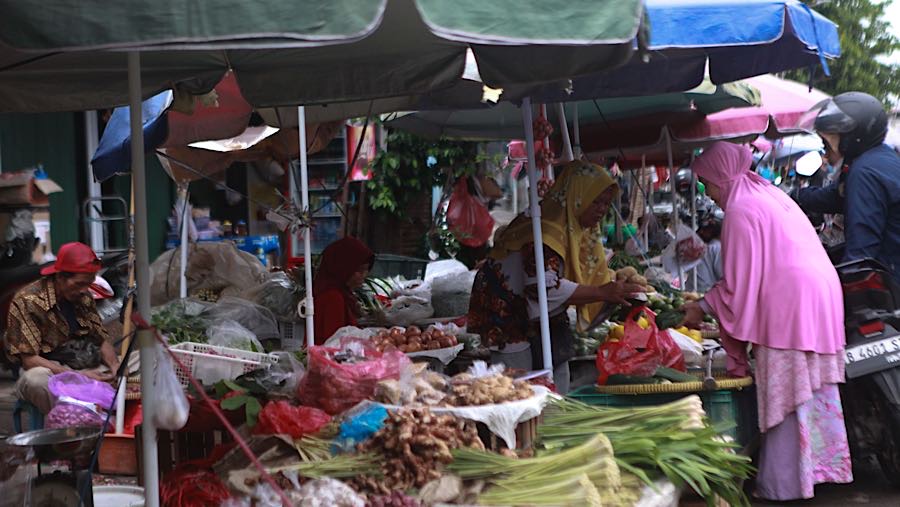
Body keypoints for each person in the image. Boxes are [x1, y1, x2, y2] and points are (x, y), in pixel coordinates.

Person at [681, 142, 851, 501]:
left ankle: (784, 486)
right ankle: (810, 475)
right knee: (806, 390)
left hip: (791, 303)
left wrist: (703, 306)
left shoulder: (741, 209)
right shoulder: (768, 194)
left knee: (788, 390)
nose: (708, 193)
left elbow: (738, 285)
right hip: (817, 294)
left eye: (707, 183)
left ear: (723, 175)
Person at [467, 160, 644, 394]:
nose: (602, 209)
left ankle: (547, 418)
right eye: (597, 201)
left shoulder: (572, 224)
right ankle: (526, 428)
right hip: (505, 309)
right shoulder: (547, 230)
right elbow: (544, 288)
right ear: (578, 197)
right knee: (516, 386)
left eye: (606, 203)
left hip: (534, 312)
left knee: (553, 376)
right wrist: (601, 292)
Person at [4, 242, 120, 414]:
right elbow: (30, 360)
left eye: (88, 284)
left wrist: (115, 365)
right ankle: (70, 426)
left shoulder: (84, 297)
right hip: (50, 370)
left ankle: (106, 423)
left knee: (145, 360)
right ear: (60, 277)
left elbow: (100, 339)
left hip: (84, 365)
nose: (84, 290)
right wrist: (78, 377)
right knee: (36, 380)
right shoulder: (28, 301)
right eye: (79, 284)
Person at [796, 92, 900, 282]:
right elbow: (837, 196)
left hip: (890, 284)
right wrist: (796, 196)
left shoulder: (865, 173)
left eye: (827, 142)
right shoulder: (879, 158)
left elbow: (860, 254)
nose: (825, 151)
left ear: (852, 138)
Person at [312, 236, 375, 344]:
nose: (364, 275)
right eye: (360, 270)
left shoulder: (342, 292)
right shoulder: (333, 297)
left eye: (366, 270)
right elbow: (334, 343)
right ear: (342, 269)